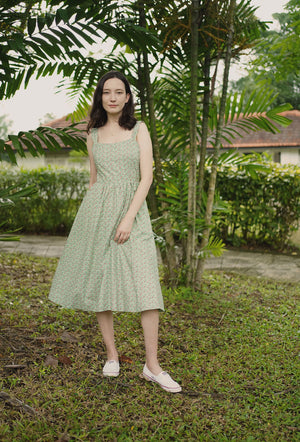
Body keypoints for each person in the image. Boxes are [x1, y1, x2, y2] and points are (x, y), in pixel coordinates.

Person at [49, 71, 181, 393]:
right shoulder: (92, 133)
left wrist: (127, 218)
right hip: (97, 211)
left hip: (132, 214)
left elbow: (146, 177)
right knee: (100, 279)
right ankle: (112, 355)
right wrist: (91, 219)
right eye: (106, 92)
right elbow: (94, 180)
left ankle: (153, 365)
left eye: (118, 92)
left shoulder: (139, 129)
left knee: (146, 285)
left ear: (127, 97)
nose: (112, 97)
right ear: (100, 97)